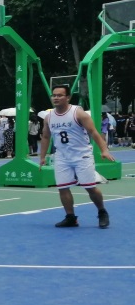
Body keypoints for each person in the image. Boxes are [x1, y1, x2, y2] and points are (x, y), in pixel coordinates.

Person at [38, 84, 113, 228]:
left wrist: (104, 150)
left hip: (82, 155)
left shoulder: (78, 113)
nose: (56, 98)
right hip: (62, 156)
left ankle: (102, 211)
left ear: (68, 97)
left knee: (90, 187)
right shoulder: (48, 117)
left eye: (59, 95)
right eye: (54, 95)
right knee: (62, 188)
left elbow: (94, 132)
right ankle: (70, 217)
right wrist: (42, 157)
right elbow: (46, 137)